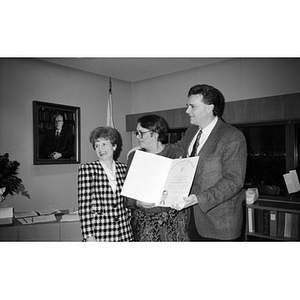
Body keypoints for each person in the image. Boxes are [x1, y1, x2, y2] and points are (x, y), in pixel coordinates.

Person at [172, 84, 247, 241]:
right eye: (187, 106)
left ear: (209, 108)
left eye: (192, 106)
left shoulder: (232, 136)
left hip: (220, 223)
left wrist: (199, 198)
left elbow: (234, 181)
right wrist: (151, 148)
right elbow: (176, 150)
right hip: (191, 217)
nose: (187, 111)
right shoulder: (191, 131)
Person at [124, 114, 189, 242]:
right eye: (137, 133)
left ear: (156, 133)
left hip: (173, 221)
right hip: (145, 223)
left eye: (141, 133)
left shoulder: (176, 153)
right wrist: (137, 202)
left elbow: (185, 188)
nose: (138, 137)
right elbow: (127, 197)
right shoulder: (135, 157)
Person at [78, 126, 133, 242]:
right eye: (96, 145)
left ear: (114, 146)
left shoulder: (123, 168)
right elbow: (84, 207)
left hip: (124, 232)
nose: (100, 149)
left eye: (104, 144)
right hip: (100, 233)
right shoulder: (88, 169)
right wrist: (89, 236)